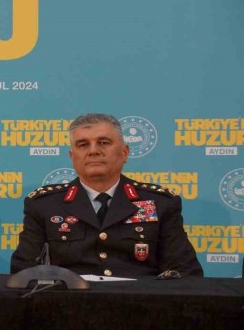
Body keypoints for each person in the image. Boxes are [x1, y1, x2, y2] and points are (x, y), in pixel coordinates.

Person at [10, 113, 203, 278]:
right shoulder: (44, 205)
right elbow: (23, 272)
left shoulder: (160, 203)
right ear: (72, 157)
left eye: (103, 142)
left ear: (125, 152)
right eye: (83, 145)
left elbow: (184, 272)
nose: (93, 151)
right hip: (68, 305)